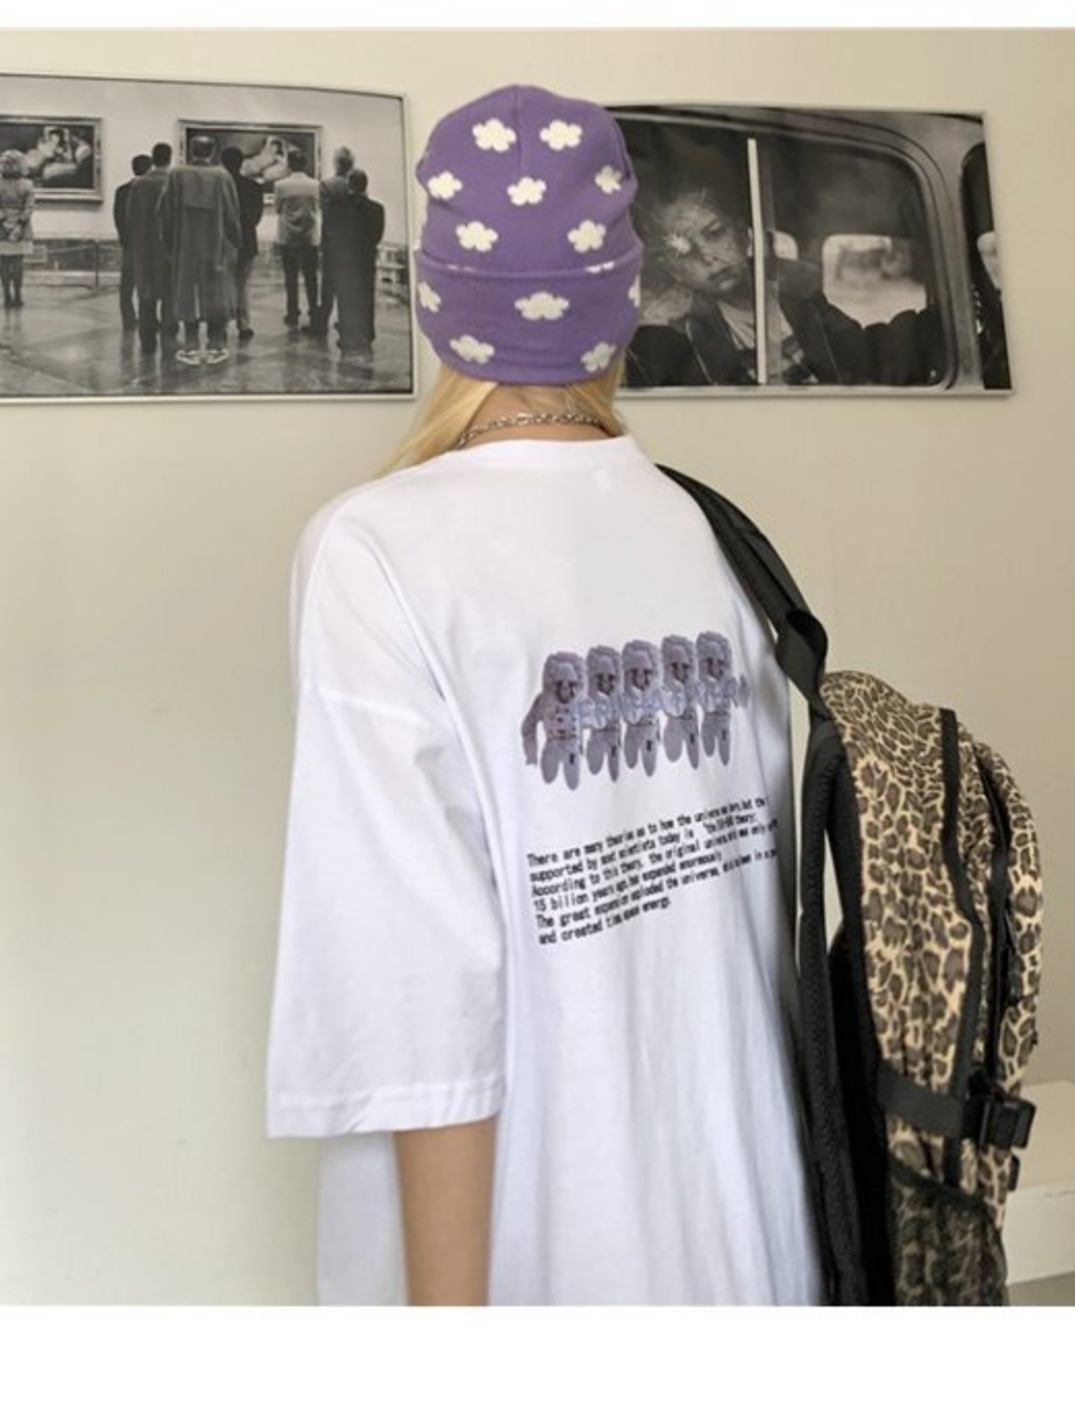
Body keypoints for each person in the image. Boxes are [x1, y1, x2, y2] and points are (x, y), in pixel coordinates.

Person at [267, 85, 822, 1307]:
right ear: (624, 297)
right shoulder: (713, 534)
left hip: (536, 1250)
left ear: (439, 302)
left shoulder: (376, 550)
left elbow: (413, 988)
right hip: (751, 1227)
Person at [625, 184, 943, 388]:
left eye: (715, 233)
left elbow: (860, 357)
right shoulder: (676, 334)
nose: (708, 257)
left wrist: (937, 328)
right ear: (676, 272)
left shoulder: (799, 298)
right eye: (684, 251)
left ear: (743, 235)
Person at [159, 133, 241, 367]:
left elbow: (164, 213)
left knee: (188, 294)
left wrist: (168, 243)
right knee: (216, 294)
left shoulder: (176, 175)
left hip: (186, 247)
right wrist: (235, 241)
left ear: (190, 149)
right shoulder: (222, 176)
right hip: (216, 245)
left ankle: (191, 345)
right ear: (212, 152)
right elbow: (232, 213)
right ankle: (217, 345)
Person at [329, 167, 385, 360]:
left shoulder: (337, 208)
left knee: (345, 299)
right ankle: (366, 335)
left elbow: (333, 234)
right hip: (366, 259)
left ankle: (347, 336)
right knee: (366, 298)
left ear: (349, 185)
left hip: (345, 259)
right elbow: (377, 236)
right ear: (365, 185)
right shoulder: (377, 208)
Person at [126, 141, 175, 355]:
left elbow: (130, 218)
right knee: (170, 298)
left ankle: (147, 342)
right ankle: (169, 341)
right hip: (169, 250)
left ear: (153, 158)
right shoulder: (174, 182)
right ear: (169, 158)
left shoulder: (139, 185)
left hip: (144, 249)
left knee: (146, 297)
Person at [272, 147, 322, 334]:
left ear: (289, 164)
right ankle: (314, 312)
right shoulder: (315, 185)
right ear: (305, 164)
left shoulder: (280, 185)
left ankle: (292, 312)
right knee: (311, 277)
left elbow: (277, 208)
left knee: (290, 277)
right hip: (309, 236)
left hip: (288, 236)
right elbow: (318, 207)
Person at [221, 144, 266, 341]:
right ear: (241, 163)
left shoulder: (219, 186)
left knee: (223, 284)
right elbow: (256, 218)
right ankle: (244, 324)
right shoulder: (254, 187)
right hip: (247, 240)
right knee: (242, 284)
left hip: (223, 240)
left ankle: (221, 324)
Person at [0, 148, 35, 309]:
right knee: (18, 262)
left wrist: (4, 222)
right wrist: (19, 224)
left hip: (1, 228)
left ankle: (7, 296)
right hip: (22, 229)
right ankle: (18, 295)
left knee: (4, 262)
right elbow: (29, 208)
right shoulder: (27, 184)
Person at [316, 145, 355, 340]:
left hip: (332, 239)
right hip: (350, 240)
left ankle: (322, 323)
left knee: (328, 284)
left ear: (335, 163)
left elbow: (325, 212)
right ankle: (345, 321)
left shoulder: (326, 185)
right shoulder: (354, 184)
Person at [114, 153, 152, 329]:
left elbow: (118, 217)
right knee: (147, 284)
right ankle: (147, 318)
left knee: (127, 285)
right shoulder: (152, 190)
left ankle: (128, 318)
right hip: (147, 244)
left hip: (130, 243)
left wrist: (124, 238)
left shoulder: (122, 190)